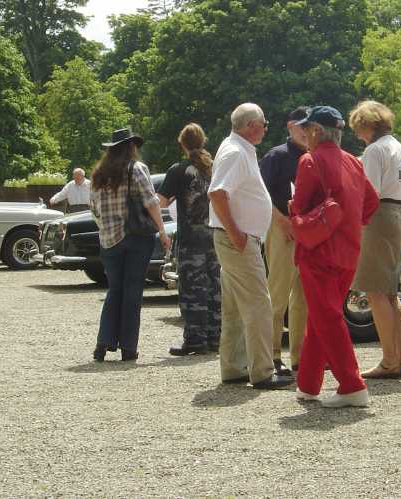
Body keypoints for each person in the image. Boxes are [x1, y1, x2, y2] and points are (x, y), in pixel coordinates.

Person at [290, 106, 379, 407]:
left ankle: (352, 385)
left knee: (326, 318)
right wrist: (349, 223)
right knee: (321, 317)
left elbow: (299, 207)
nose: (304, 134)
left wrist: (299, 214)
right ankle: (308, 385)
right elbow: (371, 202)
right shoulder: (353, 161)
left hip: (318, 252)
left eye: (307, 129)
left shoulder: (309, 161)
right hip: (348, 252)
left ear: (316, 130)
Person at [208, 103, 293, 390]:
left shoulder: (238, 148)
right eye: (264, 124)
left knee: (234, 308)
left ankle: (234, 367)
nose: (266, 129)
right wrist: (236, 234)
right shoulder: (235, 152)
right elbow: (217, 193)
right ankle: (263, 371)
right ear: (251, 126)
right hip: (238, 239)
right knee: (259, 304)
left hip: (237, 238)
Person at [89, 129, 171, 362]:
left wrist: (106, 228)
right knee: (133, 291)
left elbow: (93, 209)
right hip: (135, 236)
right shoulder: (136, 169)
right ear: (131, 147)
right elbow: (151, 201)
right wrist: (162, 230)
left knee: (114, 290)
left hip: (108, 240)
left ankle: (103, 343)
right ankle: (128, 347)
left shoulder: (98, 174)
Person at [348, 100, 401, 380]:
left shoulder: (374, 151)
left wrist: (354, 221)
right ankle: (400, 357)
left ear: (368, 125)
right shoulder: (400, 148)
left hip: (380, 216)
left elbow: (369, 193)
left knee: (374, 290)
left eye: (358, 128)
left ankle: (389, 361)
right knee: (390, 291)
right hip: (400, 214)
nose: (358, 135)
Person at [157, 124, 221, 356]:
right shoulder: (214, 167)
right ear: (203, 141)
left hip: (191, 240)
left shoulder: (179, 170)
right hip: (215, 237)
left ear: (182, 144)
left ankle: (195, 340)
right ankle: (216, 337)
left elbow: (161, 202)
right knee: (215, 287)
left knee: (192, 290)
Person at [259, 106, 309, 376]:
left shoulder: (314, 156)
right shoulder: (276, 156)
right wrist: (281, 221)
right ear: (290, 126)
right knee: (277, 295)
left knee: (303, 298)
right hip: (282, 230)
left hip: (309, 233)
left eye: (310, 126)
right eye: (302, 126)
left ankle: (300, 357)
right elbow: (260, 194)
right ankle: (273, 355)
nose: (306, 131)